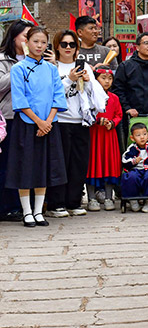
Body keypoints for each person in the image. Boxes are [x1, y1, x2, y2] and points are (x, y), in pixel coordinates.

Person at [5, 27, 67, 228]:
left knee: (44, 167)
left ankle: (39, 211)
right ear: (27, 43)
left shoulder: (51, 69)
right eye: (35, 42)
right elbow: (20, 100)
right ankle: (27, 211)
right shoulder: (18, 68)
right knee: (25, 167)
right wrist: (38, 121)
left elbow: (58, 96)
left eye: (43, 42)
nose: (39, 46)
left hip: (49, 124)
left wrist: (47, 121)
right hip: (26, 124)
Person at [46, 29, 108, 218]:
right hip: (59, 121)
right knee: (60, 163)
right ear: (57, 46)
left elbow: (99, 99)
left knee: (78, 163)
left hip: (81, 121)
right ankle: (56, 204)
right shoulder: (51, 67)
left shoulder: (84, 67)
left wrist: (88, 82)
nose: (68, 48)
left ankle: (74, 201)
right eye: (64, 44)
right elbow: (50, 95)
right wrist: (69, 80)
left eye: (72, 44)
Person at [112, 32, 148, 147]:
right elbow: (118, 90)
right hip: (132, 117)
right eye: (146, 43)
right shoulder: (125, 66)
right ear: (137, 47)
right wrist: (127, 108)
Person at [0, 19, 33, 222]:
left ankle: (27, 206)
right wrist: (19, 68)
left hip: (32, 118)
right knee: (6, 164)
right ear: (14, 37)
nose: (30, 42)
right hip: (9, 118)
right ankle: (6, 206)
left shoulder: (39, 59)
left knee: (25, 164)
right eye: (25, 37)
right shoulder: (3, 59)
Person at [87, 68, 123, 210]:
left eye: (109, 78)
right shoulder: (90, 96)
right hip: (94, 134)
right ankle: (91, 198)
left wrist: (112, 122)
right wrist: (97, 120)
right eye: (103, 77)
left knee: (109, 163)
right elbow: (86, 112)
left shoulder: (114, 98)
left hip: (109, 135)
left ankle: (109, 197)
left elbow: (118, 114)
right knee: (93, 164)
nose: (107, 81)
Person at [121, 123, 148, 210]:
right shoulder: (132, 148)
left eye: (144, 134)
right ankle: (133, 200)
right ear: (132, 138)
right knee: (131, 177)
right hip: (136, 169)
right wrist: (133, 161)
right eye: (138, 135)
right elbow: (124, 160)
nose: (142, 137)